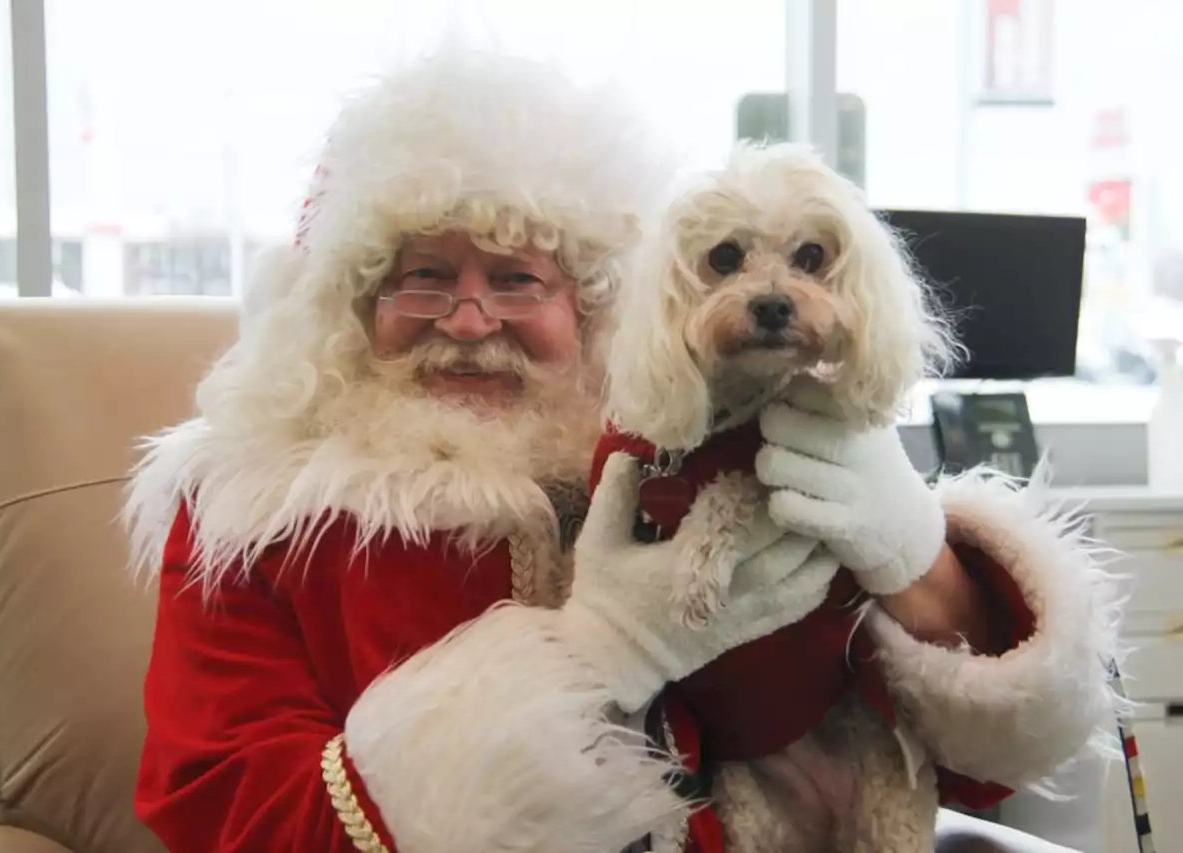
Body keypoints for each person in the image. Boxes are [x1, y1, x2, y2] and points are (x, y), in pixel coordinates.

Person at [125, 47, 1121, 853]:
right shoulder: (245, 516)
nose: (470, 320)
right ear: (346, 309)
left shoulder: (677, 458)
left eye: (517, 279)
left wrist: (918, 561)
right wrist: (588, 658)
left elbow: (979, 760)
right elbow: (231, 816)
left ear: (592, 303)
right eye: (422, 276)